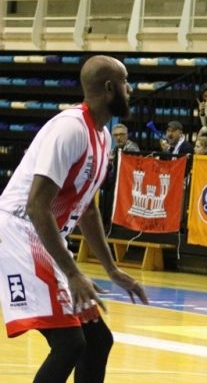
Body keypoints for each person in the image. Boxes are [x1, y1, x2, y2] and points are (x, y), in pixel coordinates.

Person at [0, 55, 148, 383]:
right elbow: (37, 206)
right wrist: (73, 272)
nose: (130, 88)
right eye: (125, 82)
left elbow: (88, 209)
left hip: (42, 234)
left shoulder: (103, 136)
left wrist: (112, 269)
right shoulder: (70, 129)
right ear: (109, 89)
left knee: (98, 341)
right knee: (69, 344)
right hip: (19, 232)